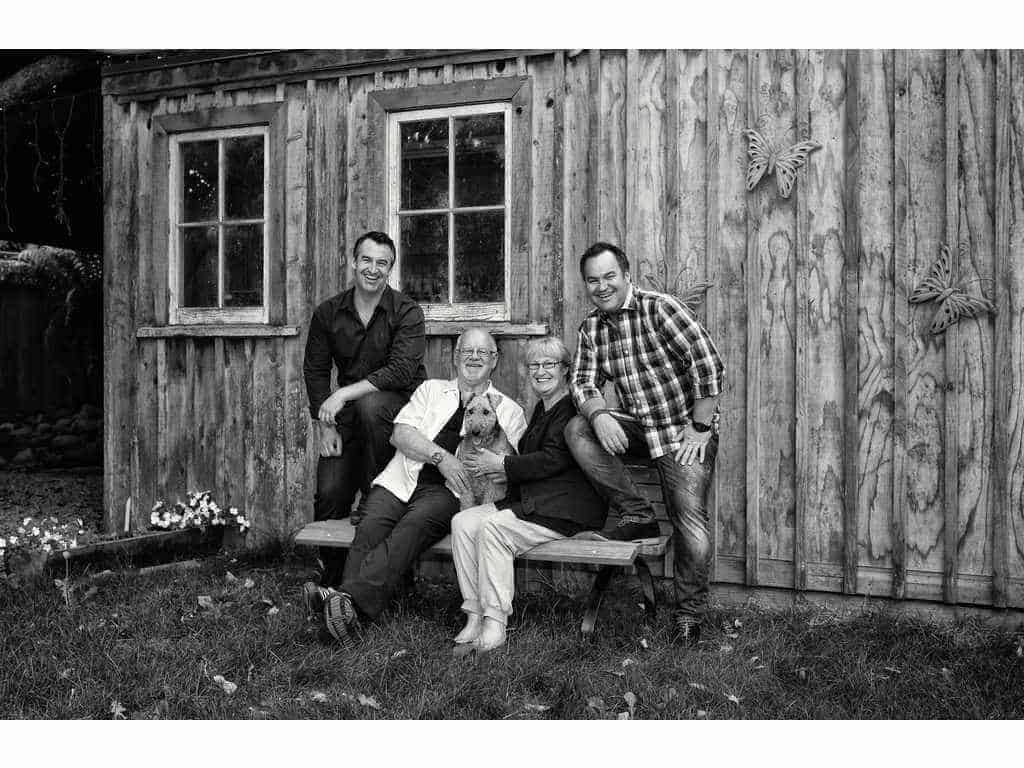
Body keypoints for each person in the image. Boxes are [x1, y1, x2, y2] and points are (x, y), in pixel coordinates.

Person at [306, 328, 527, 647]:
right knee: (370, 526)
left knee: (412, 528)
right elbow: (400, 435)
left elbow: (507, 469)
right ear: (455, 357)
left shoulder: (509, 410)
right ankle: (345, 608)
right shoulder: (431, 390)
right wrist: (441, 457)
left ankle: (342, 603)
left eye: (483, 352)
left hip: (451, 492)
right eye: (467, 351)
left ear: (494, 360)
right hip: (400, 479)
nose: (474, 358)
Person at [564, 242, 725, 645]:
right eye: (593, 280)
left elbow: (708, 364)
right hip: (639, 427)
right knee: (577, 429)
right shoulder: (592, 329)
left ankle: (688, 616)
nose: (602, 286)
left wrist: (700, 427)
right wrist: (600, 415)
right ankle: (636, 512)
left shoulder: (660, 309)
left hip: (682, 432)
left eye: (609, 276)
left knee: (690, 521)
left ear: (626, 275)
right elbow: (581, 382)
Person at [448, 336, 606, 656]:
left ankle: (495, 623)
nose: (540, 371)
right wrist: (503, 470)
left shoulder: (573, 410)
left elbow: (554, 459)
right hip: (534, 503)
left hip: (564, 510)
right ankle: (474, 613)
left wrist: (502, 465)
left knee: (493, 529)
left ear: (565, 369)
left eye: (549, 364)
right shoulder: (543, 408)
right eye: (534, 365)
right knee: (463, 522)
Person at [302, 231, 427, 588]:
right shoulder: (328, 313)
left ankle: (389, 577)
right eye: (367, 260)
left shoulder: (407, 311)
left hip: (398, 416)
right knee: (330, 491)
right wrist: (325, 423)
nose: (373, 269)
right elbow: (315, 370)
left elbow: (400, 371)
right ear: (353, 262)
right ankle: (333, 582)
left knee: (372, 406)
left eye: (382, 263)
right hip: (349, 418)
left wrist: (343, 394)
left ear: (391, 268)